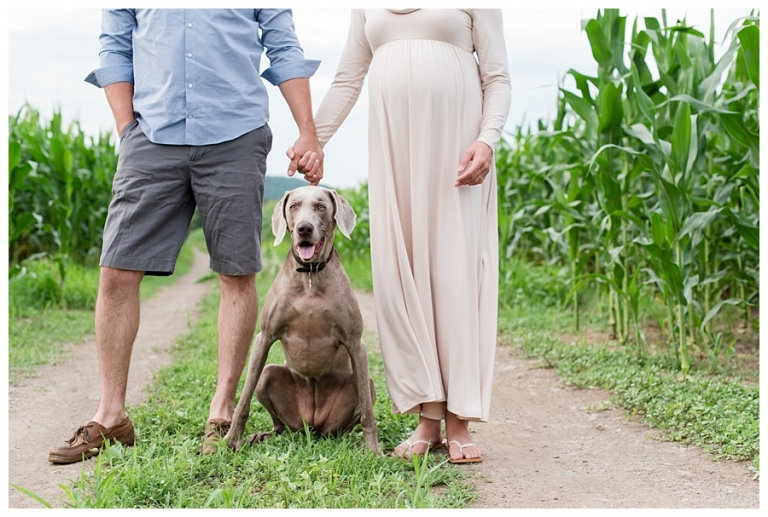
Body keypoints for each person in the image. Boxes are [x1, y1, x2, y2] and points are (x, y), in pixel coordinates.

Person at [48, 8, 323, 465]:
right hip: (151, 134)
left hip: (235, 134)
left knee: (236, 273)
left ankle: (222, 413)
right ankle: (111, 416)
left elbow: (285, 48)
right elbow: (114, 49)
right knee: (116, 271)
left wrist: (307, 132)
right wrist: (126, 129)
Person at [297, 9, 511, 463]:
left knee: (454, 271)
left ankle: (459, 420)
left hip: (457, 150)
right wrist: (316, 139)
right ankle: (427, 418)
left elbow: (497, 77)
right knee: (400, 273)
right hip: (395, 152)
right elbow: (348, 78)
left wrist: (487, 140)